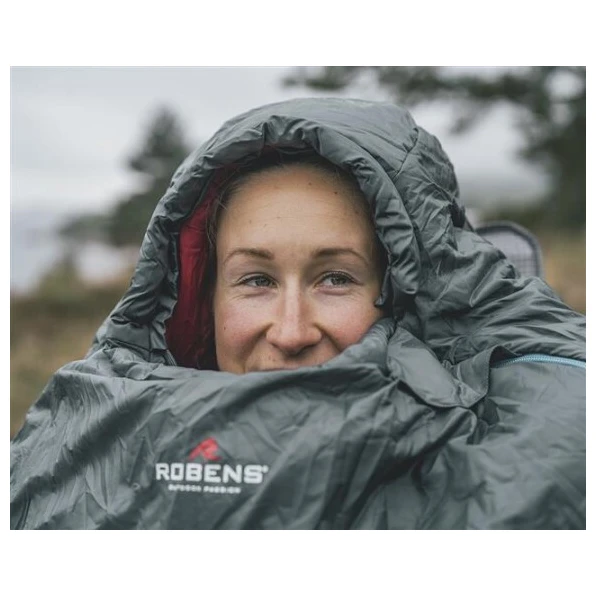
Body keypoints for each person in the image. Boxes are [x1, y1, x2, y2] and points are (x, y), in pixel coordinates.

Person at [10, 98, 585, 529]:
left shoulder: (533, 437)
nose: (290, 332)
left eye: (336, 278)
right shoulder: (93, 437)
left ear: (410, 298)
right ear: (201, 305)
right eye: (256, 280)